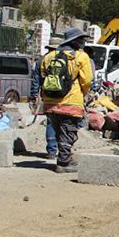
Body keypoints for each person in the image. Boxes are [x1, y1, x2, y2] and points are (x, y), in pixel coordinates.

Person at [40, 28, 94, 172]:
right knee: (68, 131)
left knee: (58, 131)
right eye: (81, 39)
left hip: (50, 101)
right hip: (71, 101)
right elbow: (87, 80)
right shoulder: (81, 57)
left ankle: (64, 157)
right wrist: (82, 91)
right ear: (75, 41)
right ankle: (63, 162)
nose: (82, 42)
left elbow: (42, 76)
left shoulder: (49, 56)